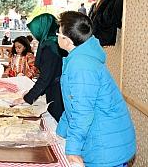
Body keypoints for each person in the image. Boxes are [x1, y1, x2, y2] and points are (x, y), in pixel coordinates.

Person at [56, 11, 136, 167]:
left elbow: (83, 112)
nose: (57, 37)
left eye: (58, 33)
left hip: (105, 146)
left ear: (67, 40)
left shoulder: (81, 66)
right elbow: (72, 105)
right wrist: (59, 133)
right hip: (105, 138)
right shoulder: (81, 58)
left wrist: (73, 150)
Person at [13, 13, 66, 122]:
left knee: (56, 123)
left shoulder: (49, 47)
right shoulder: (54, 42)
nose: (34, 34)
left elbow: (45, 78)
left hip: (57, 92)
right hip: (56, 88)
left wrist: (27, 98)